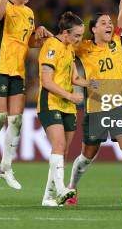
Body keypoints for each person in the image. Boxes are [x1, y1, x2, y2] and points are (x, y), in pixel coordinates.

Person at [65, 0, 122, 207]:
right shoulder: (84, 47)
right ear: (93, 29)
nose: (110, 24)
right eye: (104, 23)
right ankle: (71, 188)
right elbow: (63, 47)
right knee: (87, 157)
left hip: (119, 106)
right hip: (96, 108)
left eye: (110, 23)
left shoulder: (118, 42)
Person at [0, 0, 52, 191]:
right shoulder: (3, 4)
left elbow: (28, 42)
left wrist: (40, 35)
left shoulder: (29, 12)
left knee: (16, 121)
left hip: (17, 71)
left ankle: (6, 167)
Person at [38, 11, 90, 207]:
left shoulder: (69, 49)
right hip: (51, 102)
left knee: (63, 151)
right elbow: (46, 81)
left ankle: (48, 197)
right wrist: (69, 95)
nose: (80, 39)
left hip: (68, 106)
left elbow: (75, 78)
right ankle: (61, 191)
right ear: (66, 32)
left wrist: (93, 84)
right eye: (77, 35)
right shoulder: (51, 46)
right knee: (58, 145)